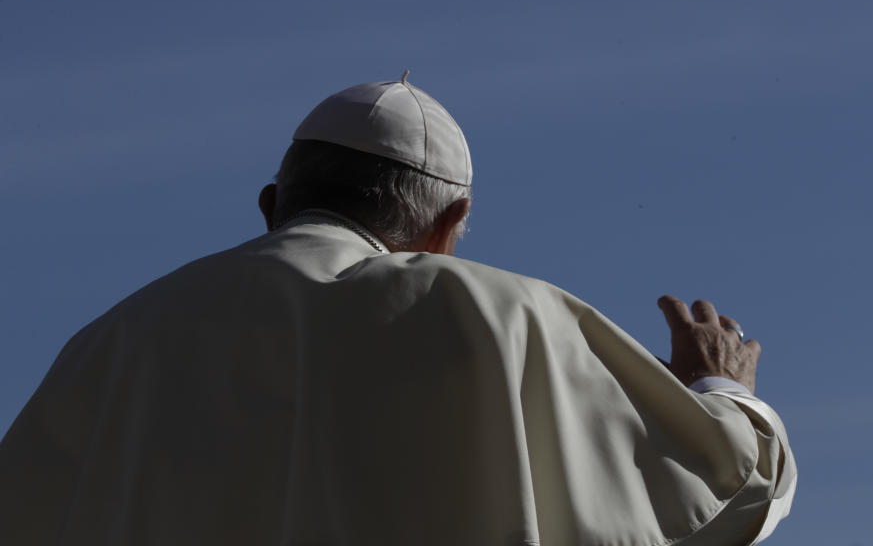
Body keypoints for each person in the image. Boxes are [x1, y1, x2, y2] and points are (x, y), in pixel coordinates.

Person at [0, 75, 796, 545]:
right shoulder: (502, 317)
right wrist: (721, 391)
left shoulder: (111, 344)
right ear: (447, 228)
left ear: (272, 203)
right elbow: (725, 495)